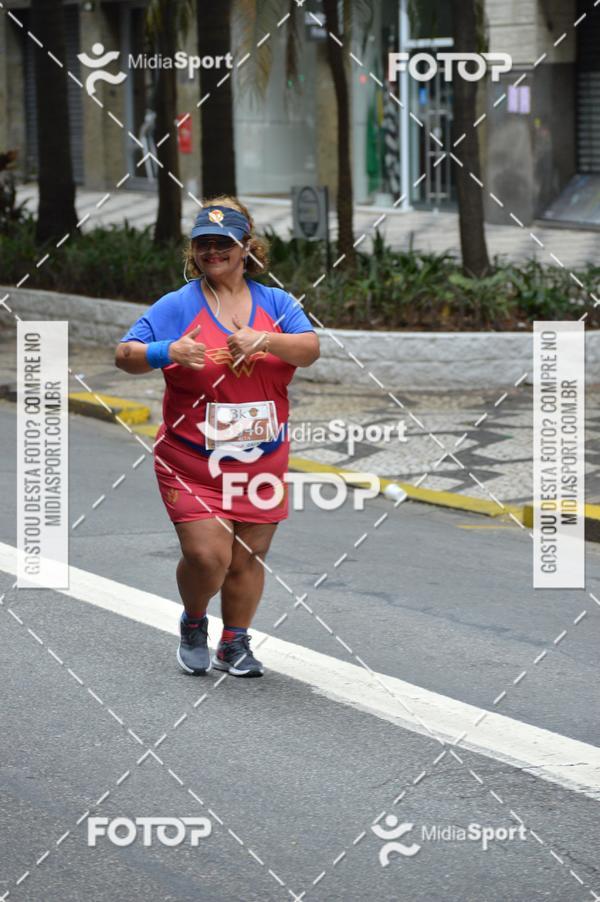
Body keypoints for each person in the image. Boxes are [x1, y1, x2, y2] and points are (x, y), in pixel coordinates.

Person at [115, 196, 320, 678]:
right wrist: (167, 350)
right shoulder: (177, 305)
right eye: (203, 244)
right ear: (194, 251)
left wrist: (263, 340)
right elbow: (124, 355)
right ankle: (193, 622)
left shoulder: (276, 303)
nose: (213, 252)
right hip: (191, 460)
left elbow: (310, 349)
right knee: (209, 556)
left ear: (245, 247)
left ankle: (234, 643)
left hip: (261, 459)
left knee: (248, 556)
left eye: (223, 243)